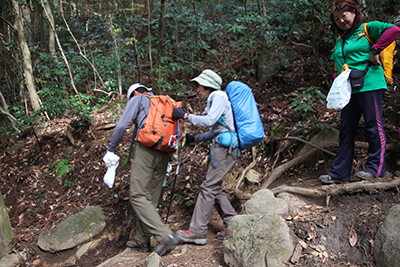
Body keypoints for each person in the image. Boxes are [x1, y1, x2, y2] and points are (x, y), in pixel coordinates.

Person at [319, 0, 400, 184]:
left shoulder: (368, 28)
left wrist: (375, 49)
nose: (341, 20)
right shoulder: (341, 39)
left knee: (373, 124)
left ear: (354, 13)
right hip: (349, 90)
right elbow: (337, 67)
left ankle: (375, 169)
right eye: (336, 18)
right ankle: (340, 173)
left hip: (370, 84)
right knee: (346, 129)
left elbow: (394, 30)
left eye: (344, 15)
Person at [103, 83, 179, 256]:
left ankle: (164, 236)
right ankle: (142, 239)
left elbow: (122, 125)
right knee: (151, 197)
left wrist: (111, 149)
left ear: (135, 92)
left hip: (146, 148)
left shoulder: (137, 99)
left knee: (138, 195)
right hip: (165, 152)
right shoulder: (163, 102)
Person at [172, 69, 238, 245]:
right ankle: (232, 221)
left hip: (225, 149)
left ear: (208, 86)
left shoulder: (219, 96)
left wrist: (186, 116)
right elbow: (215, 130)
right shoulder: (216, 98)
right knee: (213, 187)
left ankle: (197, 232)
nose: (197, 90)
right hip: (224, 148)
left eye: (199, 86)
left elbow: (208, 121)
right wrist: (195, 139)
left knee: (208, 188)